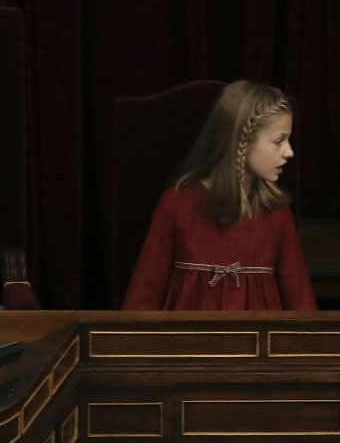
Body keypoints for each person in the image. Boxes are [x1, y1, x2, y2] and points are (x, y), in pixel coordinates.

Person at [121, 80, 317, 310]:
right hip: (189, 343)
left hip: (258, 343)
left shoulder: (276, 211)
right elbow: (144, 294)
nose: (289, 152)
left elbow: (300, 301)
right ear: (241, 141)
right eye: (278, 141)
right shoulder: (176, 204)